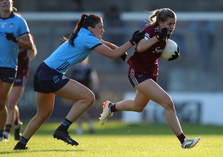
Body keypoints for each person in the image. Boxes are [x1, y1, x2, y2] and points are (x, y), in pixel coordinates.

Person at [13, 13, 145, 150]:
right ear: (90, 28)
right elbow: (113, 55)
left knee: (43, 114)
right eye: (100, 27)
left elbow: (107, 45)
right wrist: (132, 42)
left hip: (42, 71)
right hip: (51, 74)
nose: (103, 31)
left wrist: (119, 49)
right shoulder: (87, 38)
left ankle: (20, 144)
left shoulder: (84, 34)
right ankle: (62, 129)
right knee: (88, 98)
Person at [99, 8, 201, 149]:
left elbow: (155, 51)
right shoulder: (151, 31)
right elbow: (140, 47)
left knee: (138, 106)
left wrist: (172, 54)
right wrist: (158, 37)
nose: (172, 27)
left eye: (174, 24)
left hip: (151, 72)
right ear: (160, 22)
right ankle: (184, 141)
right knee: (168, 103)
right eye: (169, 24)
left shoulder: (164, 35)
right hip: (138, 72)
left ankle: (111, 107)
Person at [0, 0, 34, 142]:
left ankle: (2, 134)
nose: (4, 2)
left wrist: (15, 40)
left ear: (11, 2)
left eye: (7, 0)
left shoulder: (19, 21)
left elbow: (30, 46)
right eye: (1, 0)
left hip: (9, 67)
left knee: (3, 103)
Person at [3, 39, 37, 141]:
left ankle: (6, 133)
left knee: (11, 104)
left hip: (20, 73)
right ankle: (17, 123)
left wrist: (29, 58)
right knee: (9, 103)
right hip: (7, 71)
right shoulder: (5, 35)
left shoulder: (24, 35)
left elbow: (33, 50)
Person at [70, 57, 99, 135]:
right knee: (80, 110)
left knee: (80, 110)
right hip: (77, 91)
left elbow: (94, 79)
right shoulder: (75, 69)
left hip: (86, 91)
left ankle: (80, 128)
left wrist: (95, 90)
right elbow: (71, 81)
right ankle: (88, 126)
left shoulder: (89, 68)